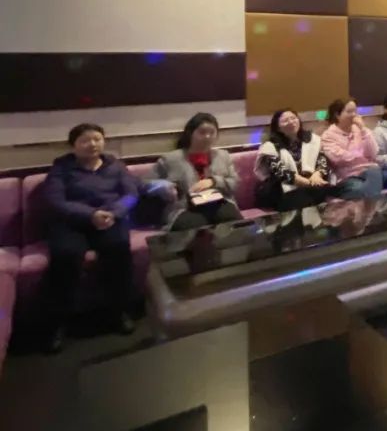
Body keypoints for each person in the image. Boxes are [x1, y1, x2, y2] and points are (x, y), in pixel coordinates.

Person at [40, 123, 139, 352]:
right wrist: (90, 215)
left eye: (97, 139)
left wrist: (115, 213)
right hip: (71, 223)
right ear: (73, 145)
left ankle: (119, 311)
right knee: (66, 255)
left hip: (109, 220)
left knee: (119, 248)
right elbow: (56, 201)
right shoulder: (61, 168)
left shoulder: (115, 165)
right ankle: (57, 323)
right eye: (85, 140)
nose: (92, 144)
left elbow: (131, 194)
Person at [148, 112, 245, 230]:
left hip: (219, 203)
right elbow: (147, 184)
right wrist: (166, 187)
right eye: (202, 132)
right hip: (184, 207)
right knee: (196, 226)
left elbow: (235, 183)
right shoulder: (170, 160)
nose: (207, 137)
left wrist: (214, 181)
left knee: (232, 220)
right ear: (190, 133)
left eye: (212, 133)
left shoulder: (223, 156)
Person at [255, 109, 333, 211]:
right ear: (278, 128)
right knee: (304, 198)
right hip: (283, 189)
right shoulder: (270, 146)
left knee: (328, 192)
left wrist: (317, 175)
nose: (291, 122)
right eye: (285, 120)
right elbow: (281, 172)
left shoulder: (313, 139)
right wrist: (309, 183)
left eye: (293, 118)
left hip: (311, 185)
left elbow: (322, 160)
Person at [321, 98, 384, 200]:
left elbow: (374, 152)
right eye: (349, 111)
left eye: (355, 111)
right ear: (337, 115)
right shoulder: (328, 136)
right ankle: (372, 206)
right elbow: (339, 158)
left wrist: (363, 128)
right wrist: (360, 154)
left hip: (368, 171)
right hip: (346, 177)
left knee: (375, 170)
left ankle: (369, 204)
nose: (354, 115)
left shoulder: (360, 130)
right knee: (360, 189)